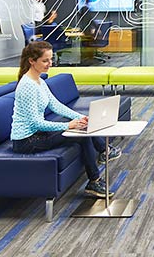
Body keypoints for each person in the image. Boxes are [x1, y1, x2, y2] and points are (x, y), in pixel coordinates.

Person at [10, 42, 120, 198]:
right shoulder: (27, 86)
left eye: (51, 59)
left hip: (37, 134)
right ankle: (98, 168)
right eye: (45, 61)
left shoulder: (39, 81)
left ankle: (103, 155)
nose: (50, 64)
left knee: (81, 127)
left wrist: (79, 117)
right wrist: (68, 125)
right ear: (31, 61)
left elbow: (56, 105)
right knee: (80, 135)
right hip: (26, 141)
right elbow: (35, 122)